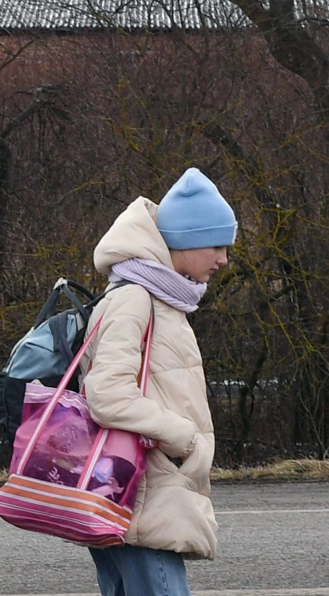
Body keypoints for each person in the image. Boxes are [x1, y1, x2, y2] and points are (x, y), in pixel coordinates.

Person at [79, 168, 236, 596]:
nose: (223, 259)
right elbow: (107, 394)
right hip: (140, 493)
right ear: (185, 240)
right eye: (217, 245)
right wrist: (182, 438)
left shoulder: (159, 298)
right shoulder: (135, 297)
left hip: (141, 491)